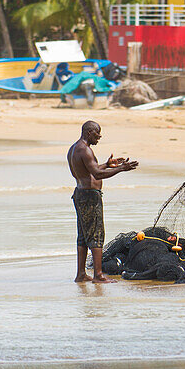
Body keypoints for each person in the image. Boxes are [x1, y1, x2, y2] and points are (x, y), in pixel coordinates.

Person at [67, 120, 138, 283]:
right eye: (97, 134)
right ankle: (98, 275)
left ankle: (81, 274)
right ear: (89, 132)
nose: (99, 137)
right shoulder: (85, 150)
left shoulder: (74, 148)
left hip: (80, 194)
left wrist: (107, 164)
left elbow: (90, 170)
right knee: (97, 234)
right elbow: (96, 175)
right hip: (90, 197)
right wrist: (120, 169)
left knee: (83, 236)